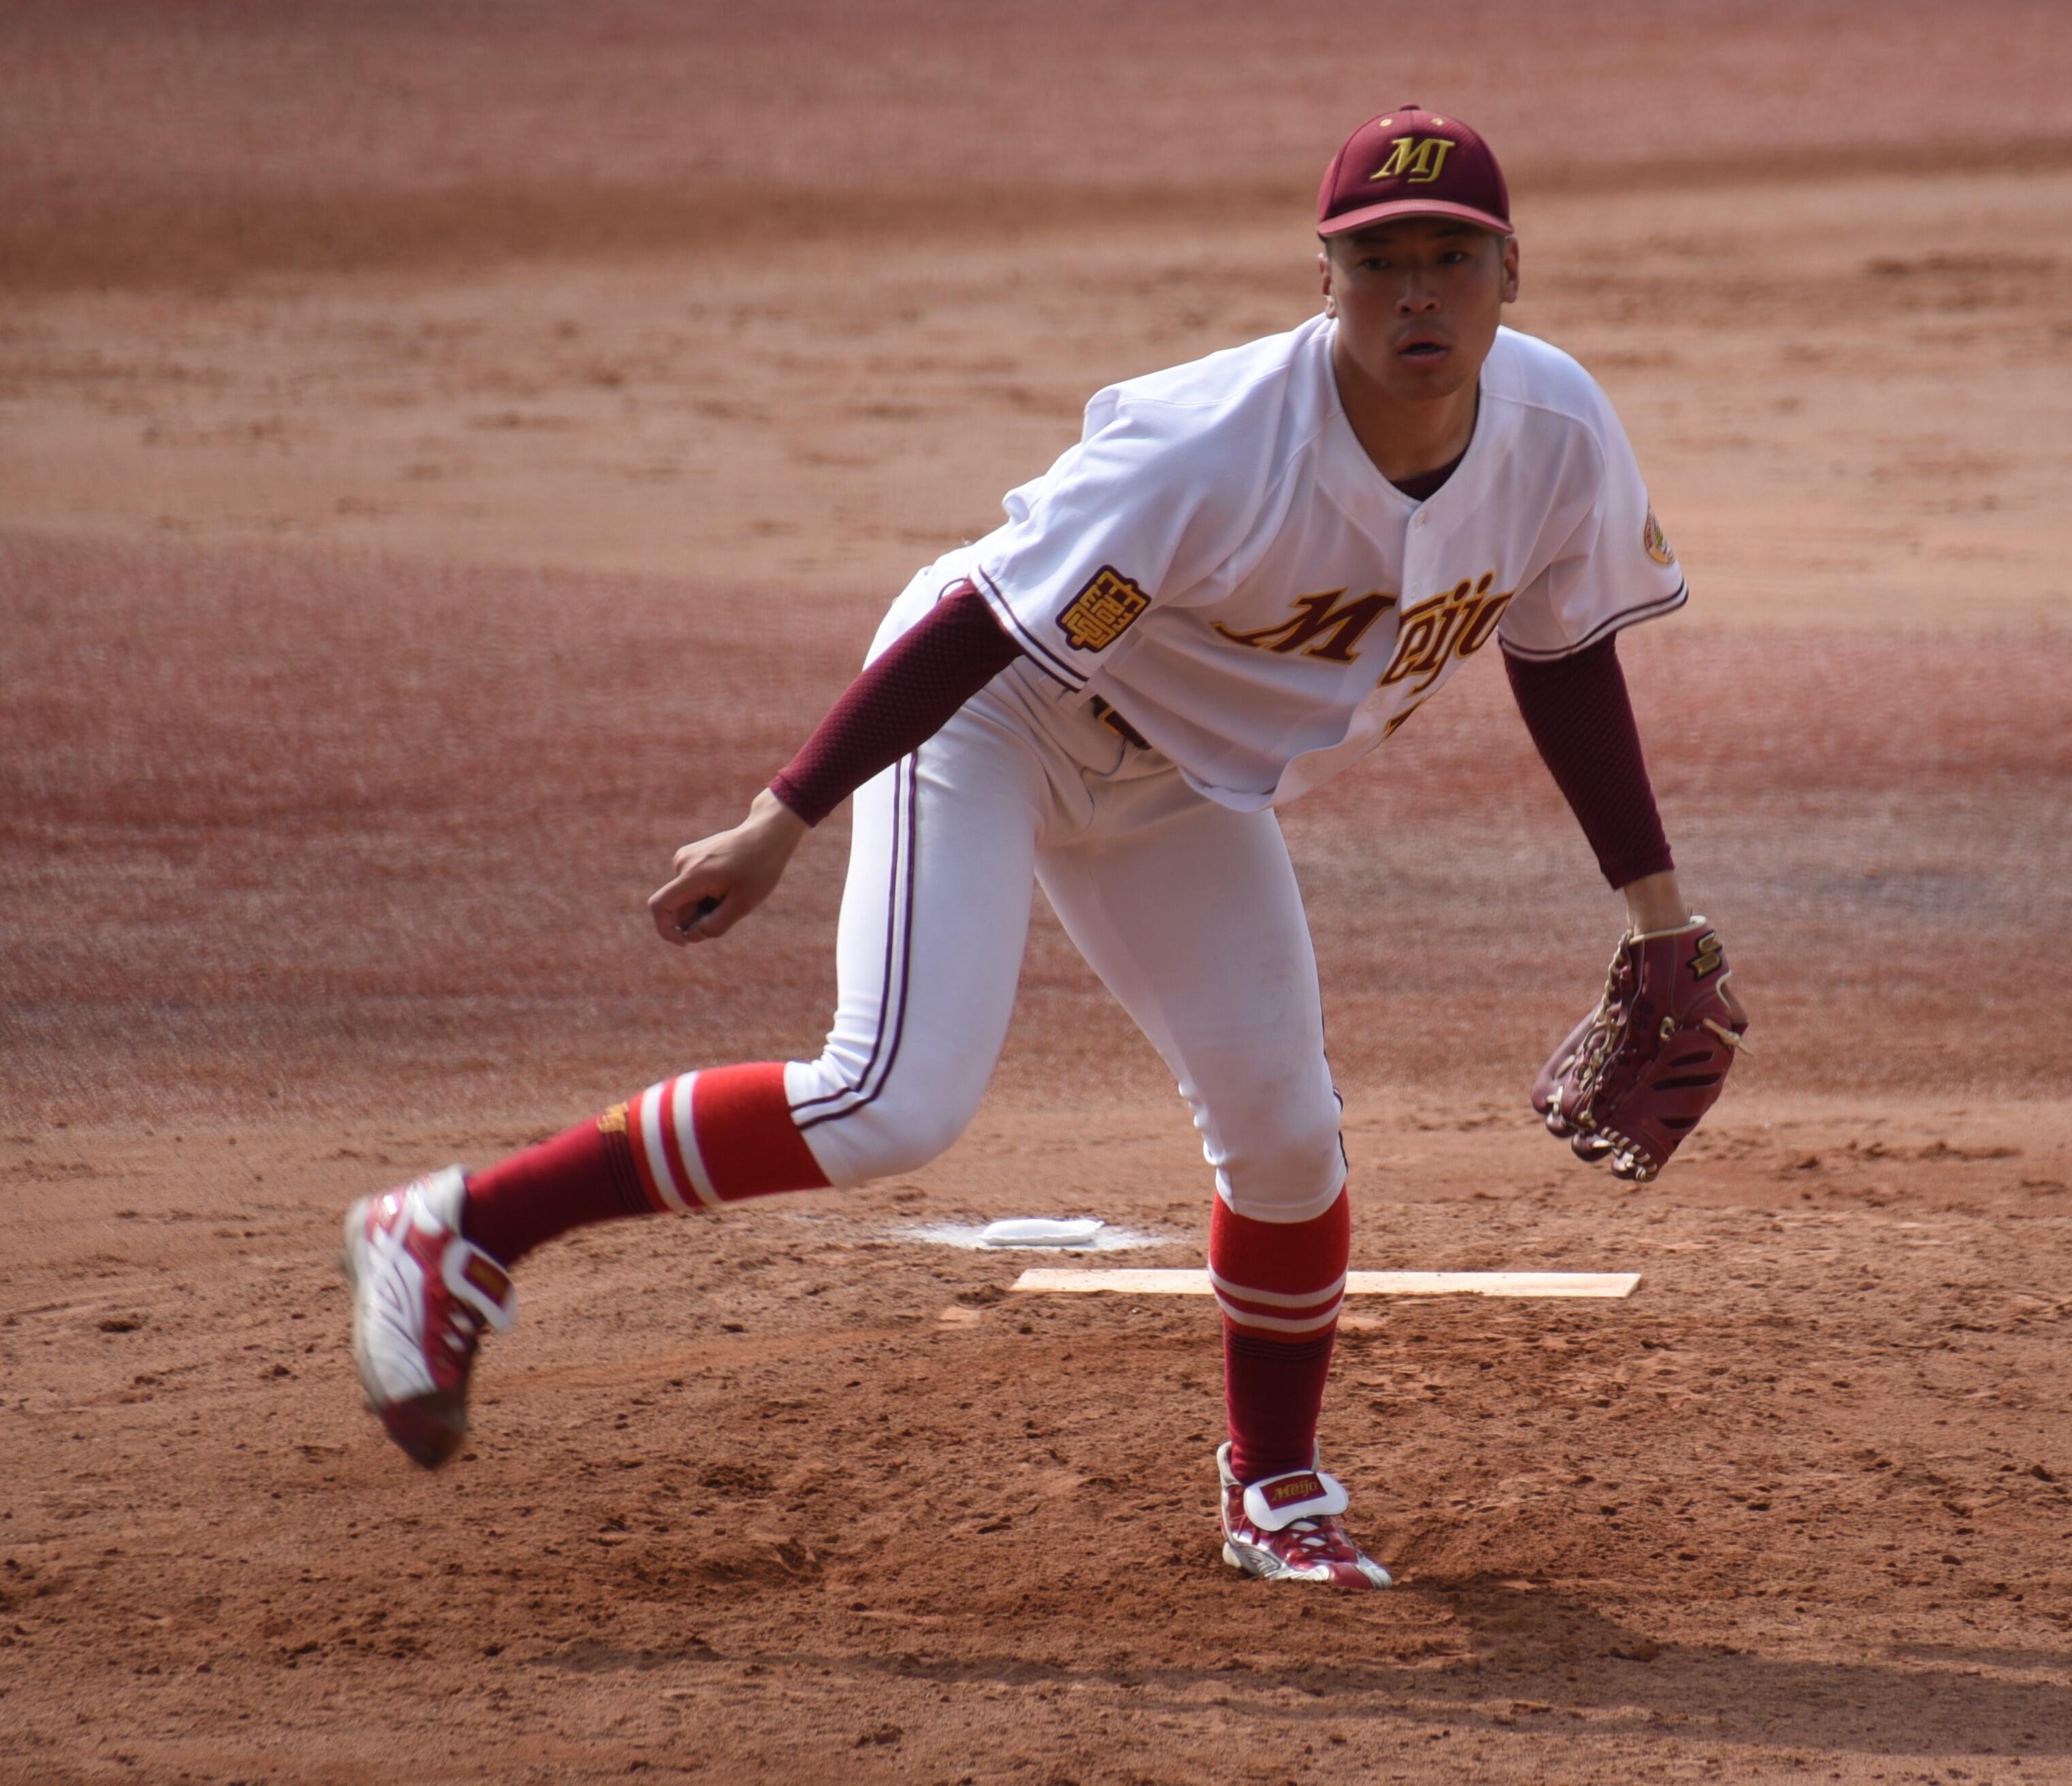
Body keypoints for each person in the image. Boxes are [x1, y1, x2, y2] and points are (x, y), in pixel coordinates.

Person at [342, 105, 1744, 1592]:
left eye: (1448, 259)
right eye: (1377, 261)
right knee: (891, 1098)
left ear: (1509, 272)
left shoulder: (1556, 433)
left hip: (1187, 784)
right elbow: (979, 629)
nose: (1416, 294)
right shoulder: (1212, 446)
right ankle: (457, 1228)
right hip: (996, 713)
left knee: (1284, 1134)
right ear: (1321, 281)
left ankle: (1275, 1487)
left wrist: (1658, 912)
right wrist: (786, 815)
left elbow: (1566, 653)